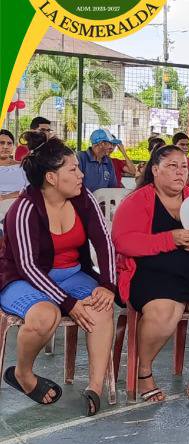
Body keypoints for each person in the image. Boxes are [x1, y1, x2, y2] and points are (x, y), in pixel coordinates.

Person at [0, 132, 116, 415]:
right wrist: (68, 303)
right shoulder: (24, 209)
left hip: (72, 274)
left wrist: (108, 285)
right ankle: (23, 374)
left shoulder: (83, 198)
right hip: (22, 279)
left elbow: (105, 242)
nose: (80, 175)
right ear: (51, 178)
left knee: (101, 308)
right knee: (45, 315)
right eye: (73, 169)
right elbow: (28, 266)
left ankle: (95, 388)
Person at [112, 145, 189, 402]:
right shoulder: (137, 200)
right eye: (172, 166)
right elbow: (123, 241)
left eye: (184, 167)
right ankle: (144, 372)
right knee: (165, 313)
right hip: (151, 278)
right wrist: (170, 239)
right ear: (155, 170)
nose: (180, 172)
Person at [76, 129, 122, 193]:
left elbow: (112, 186)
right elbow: (75, 183)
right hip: (83, 198)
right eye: (110, 144)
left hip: (103, 198)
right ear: (101, 144)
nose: (112, 147)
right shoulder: (80, 157)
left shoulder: (108, 161)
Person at [0, 129, 27, 199]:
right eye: (1, 143)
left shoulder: (23, 166)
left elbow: (31, 189)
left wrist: (5, 196)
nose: (5, 147)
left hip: (19, 202)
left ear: (13, 147)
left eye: (9, 143)